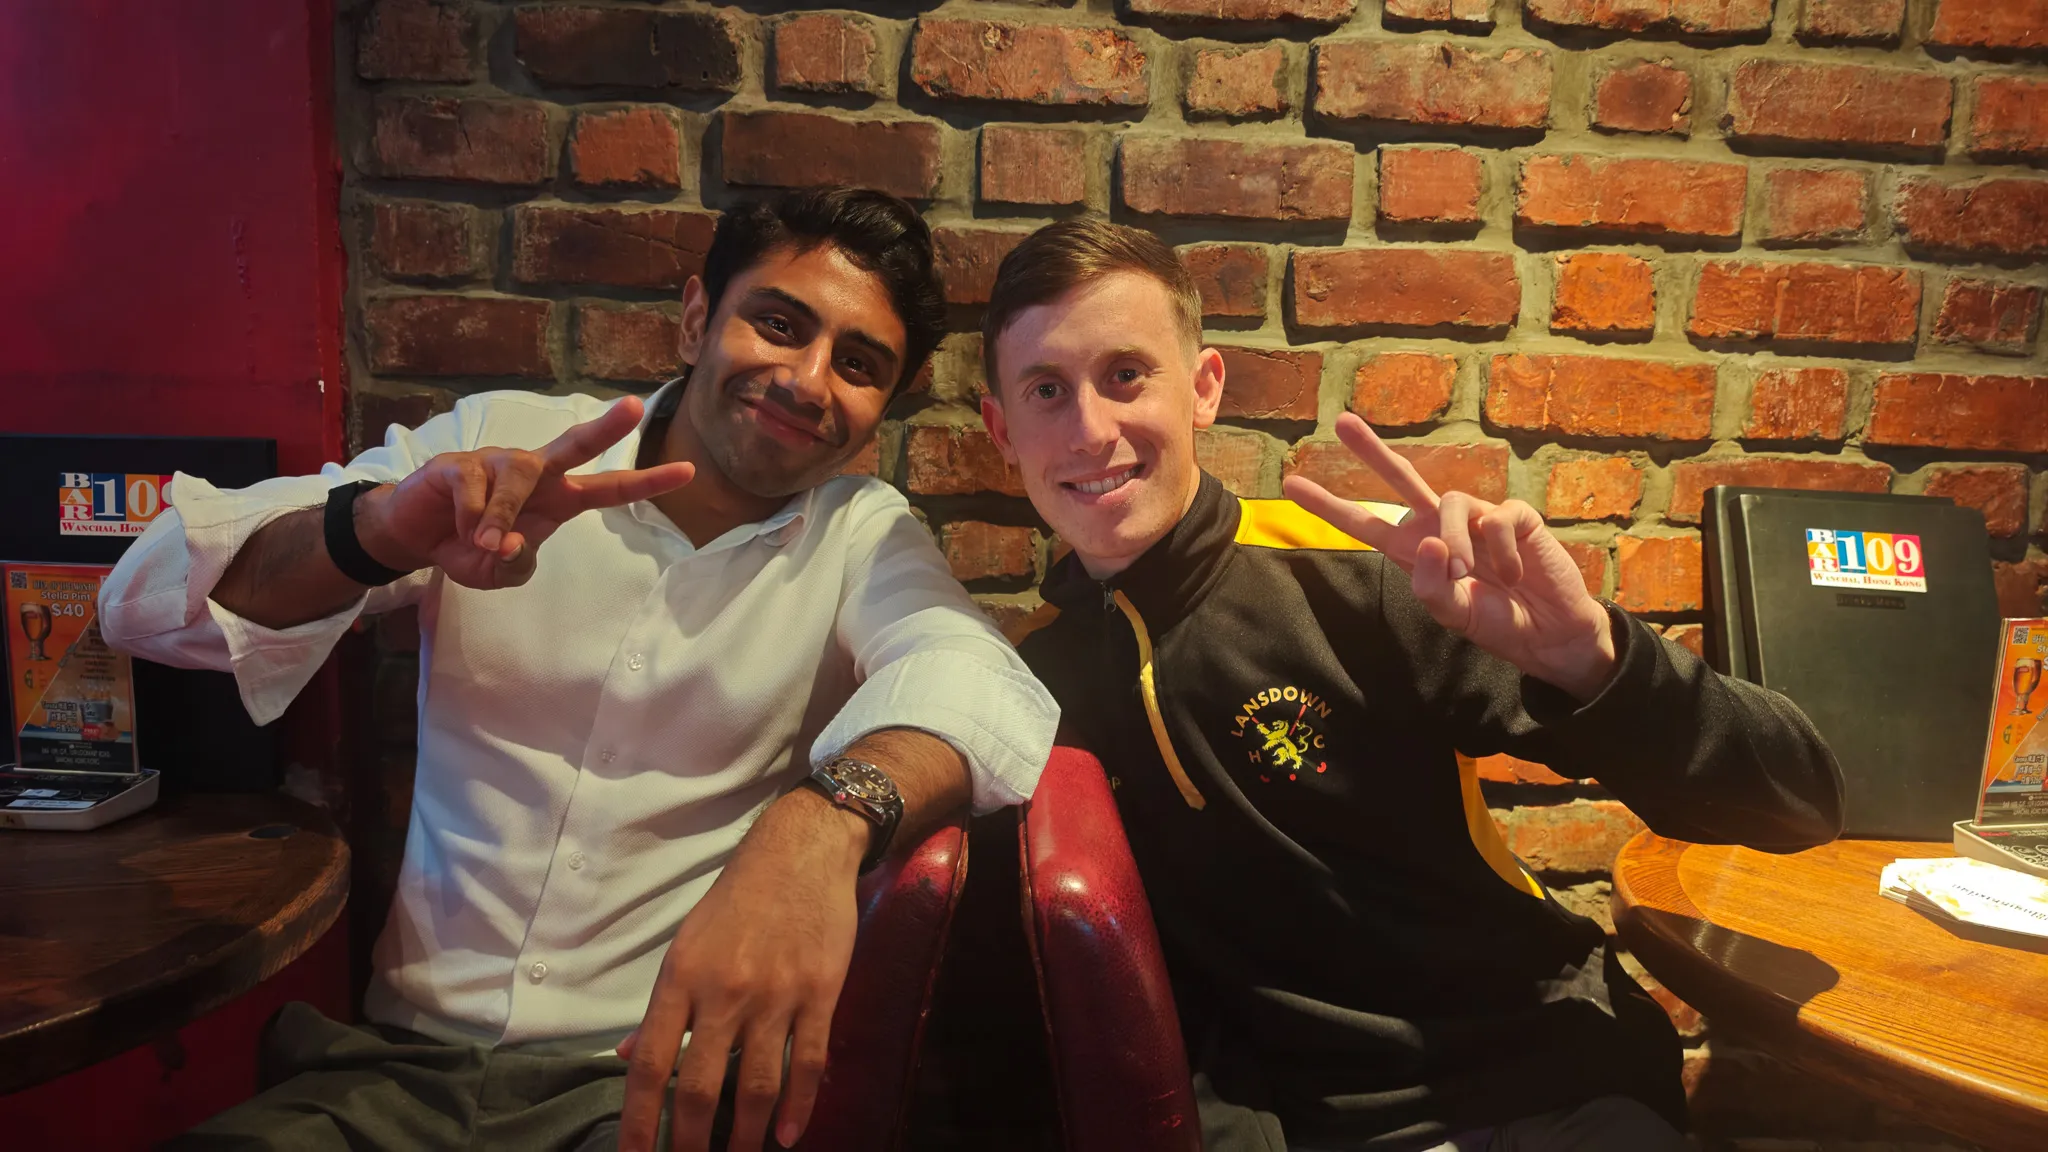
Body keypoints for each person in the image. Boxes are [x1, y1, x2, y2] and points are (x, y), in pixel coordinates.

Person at [99, 186, 1058, 1152]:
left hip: (637, 1093)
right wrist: (384, 529)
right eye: (778, 324)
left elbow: (981, 686)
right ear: (696, 318)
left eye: (858, 364)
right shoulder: (506, 444)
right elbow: (145, 601)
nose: (808, 381)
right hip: (389, 1073)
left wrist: (818, 825)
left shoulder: (859, 536)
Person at [976, 218, 1844, 1152]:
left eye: (1126, 375)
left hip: (1541, 1089)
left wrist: (1594, 660)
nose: (1090, 430)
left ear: (1204, 388)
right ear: (1001, 431)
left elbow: (1795, 804)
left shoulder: (1369, 573)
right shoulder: (1034, 681)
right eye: (1047, 390)